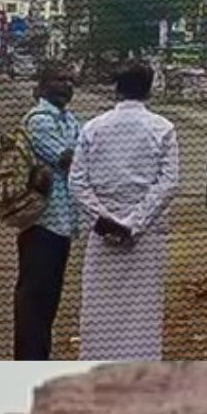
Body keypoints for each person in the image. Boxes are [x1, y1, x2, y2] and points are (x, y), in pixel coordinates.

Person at [71, 61, 179, 360]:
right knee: (142, 309)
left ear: (116, 89)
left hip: (102, 234)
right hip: (146, 236)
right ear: (149, 90)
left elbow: (77, 182)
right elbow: (169, 183)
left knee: (100, 305)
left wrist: (104, 220)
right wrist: (134, 223)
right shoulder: (163, 129)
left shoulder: (93, 128)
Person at [12, 65, 81, 359]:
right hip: (42, 223)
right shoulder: (39, 120)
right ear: (43, 85)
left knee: (49, 299)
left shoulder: (68, 119)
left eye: (70, 81)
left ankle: (39, 356)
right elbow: (68, 160)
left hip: (62, 222)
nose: (66, 85)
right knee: (34, 300)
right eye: (59, 80)